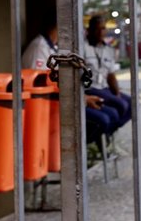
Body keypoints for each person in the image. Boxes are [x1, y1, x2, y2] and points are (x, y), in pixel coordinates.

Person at [22, 11, 118, 144]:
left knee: (112, 113)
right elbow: (43, 84)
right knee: (103, 119)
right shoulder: (40, 47)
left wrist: (83, 98)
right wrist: (82, 98)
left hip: (63, 100)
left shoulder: (54, 47)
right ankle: (79, 149)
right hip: (50, 105)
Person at [82, 15, 132, 131]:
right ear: (89, 30)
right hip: (90, 88)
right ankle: (106, 134)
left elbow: (111, 75)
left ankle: (110, 131)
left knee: (132, 104)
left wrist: (117, 92)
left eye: (103, 28)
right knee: (121, 105)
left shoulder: (109, 50)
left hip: (104, 88)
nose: (100, 32)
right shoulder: (82, 47)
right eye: (97, 28)